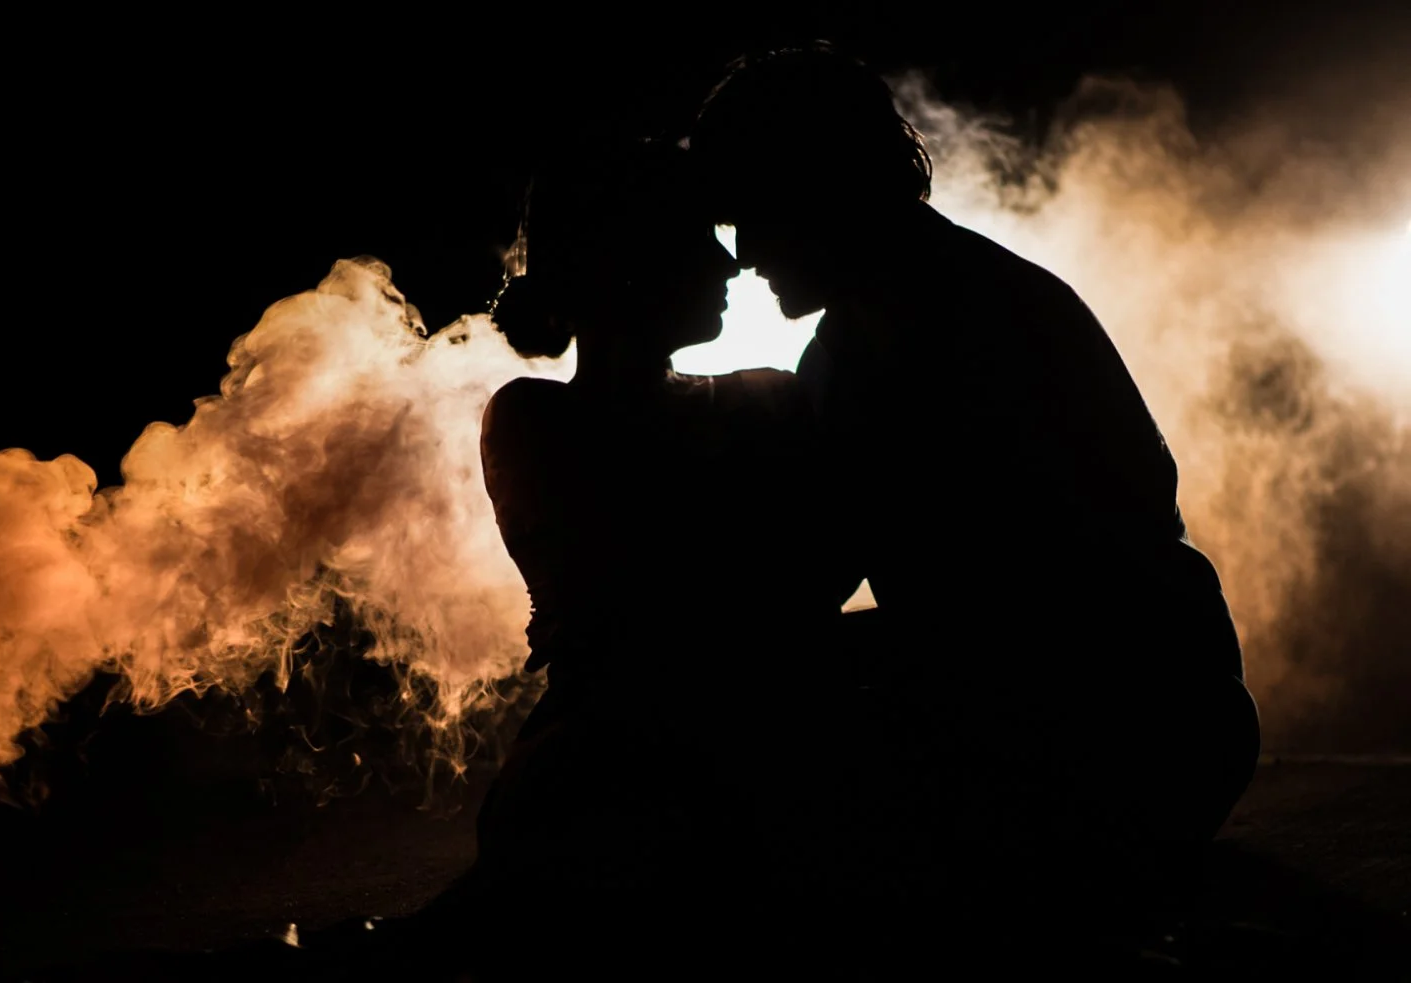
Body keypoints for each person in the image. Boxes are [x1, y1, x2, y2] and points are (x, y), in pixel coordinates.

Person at [687, 42, 1262, 962]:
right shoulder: (922, 317)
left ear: (816, 188)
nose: (745, 254)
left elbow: (838, 594)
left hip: (1118, 734)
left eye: (751, 216)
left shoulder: (928, 335)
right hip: (1158, 718)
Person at [405, 136, 865, 978]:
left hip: (678, 757)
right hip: (644, 768)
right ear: (622, 260)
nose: (728, 264)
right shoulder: (536, 420)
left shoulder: (764, 398)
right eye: (695, 238)